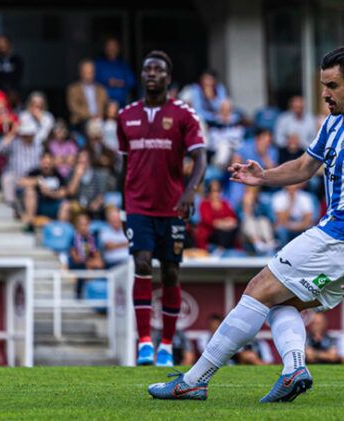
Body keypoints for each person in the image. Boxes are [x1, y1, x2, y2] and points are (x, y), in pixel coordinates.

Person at [149, 47, 344, 403]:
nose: (324, 93)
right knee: (282, 305)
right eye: (322, 84)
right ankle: (293, 370)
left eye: (333, 86)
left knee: (258, 288)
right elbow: (305, 167)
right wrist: (263, 178)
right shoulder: (335, 122)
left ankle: (194, 380)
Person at [118, 50, 207, 367]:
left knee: (170, 271)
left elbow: (200, 158)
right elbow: (125, 165)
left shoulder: (184, 115)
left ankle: (166, 345)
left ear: (168, 78)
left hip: (172, 208)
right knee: (142, 262)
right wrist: (122, 204)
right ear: (142, 76)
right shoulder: (125, 116)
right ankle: (144, 342)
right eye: (147, 69)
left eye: (158, 70)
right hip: (138, 206)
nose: (151, 73)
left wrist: (189, 192)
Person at [0, 114, 41, 212]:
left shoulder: (38, 146)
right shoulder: (15, 142)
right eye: (25, 134)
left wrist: (32, 179)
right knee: (7, 178)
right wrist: (12, 133)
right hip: (15, 176)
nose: (27, 137)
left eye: (30, 134)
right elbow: (0, 149)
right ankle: (11, 206)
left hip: (32, 177)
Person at [20, 151, 67, 226]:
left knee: (65, 204)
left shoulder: (58, 175)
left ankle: (60, 229)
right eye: (44, 163)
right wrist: (37, 181)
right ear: (40, 162)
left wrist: (50, 193)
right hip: (38, 204)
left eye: (48, 163)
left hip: (53, 205)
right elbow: (21, 182)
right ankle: (30, 220)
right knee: (29, 191)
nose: (46, 166)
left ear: (53, 163)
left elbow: (63, 192)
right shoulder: (35, 172)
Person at [195, 180, 239, 252]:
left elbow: (233, 219)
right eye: (214, 191)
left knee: (233, 230)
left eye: (219, 190)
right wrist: (223, 223)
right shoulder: (205, 204)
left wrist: (222, 224)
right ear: (209, 192)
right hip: (211, 233)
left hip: (226, 232)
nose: (217, 193)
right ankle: (219, 251)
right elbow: (208, 221)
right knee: (221, 233)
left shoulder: (225, 203)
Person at [69, 213, 105, 298]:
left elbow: (97, 254)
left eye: (85, 224)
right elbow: (75, 257)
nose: (83, 227)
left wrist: (95, 261)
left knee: (101, 266)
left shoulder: (93, 237)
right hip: (77, 264)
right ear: (77, 226)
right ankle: (80, 295)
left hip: (89, 263)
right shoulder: (73, 237)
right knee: (84, 268)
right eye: (81, 224)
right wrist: (88, 263)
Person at [66, 59, 108, 130]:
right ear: (81, 73)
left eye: (91, 72)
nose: (89, 76)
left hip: (100, 121)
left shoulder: (101, 89)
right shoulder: (73, 89)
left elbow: (106, 105)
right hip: (81, 122)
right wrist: (91, 116)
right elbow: (74, 108)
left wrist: (100, 115)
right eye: (86, 73)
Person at [95, 37, 136, 108]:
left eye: (114, 46)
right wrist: (108, 81)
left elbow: (132, 82)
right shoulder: (99, 64)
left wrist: (121, 83)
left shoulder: (123, 65)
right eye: (109, 46)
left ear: (118, 49)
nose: (112, 49)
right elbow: (94, 79)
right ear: (105, 48)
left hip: (122, 101)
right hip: (104, 101)